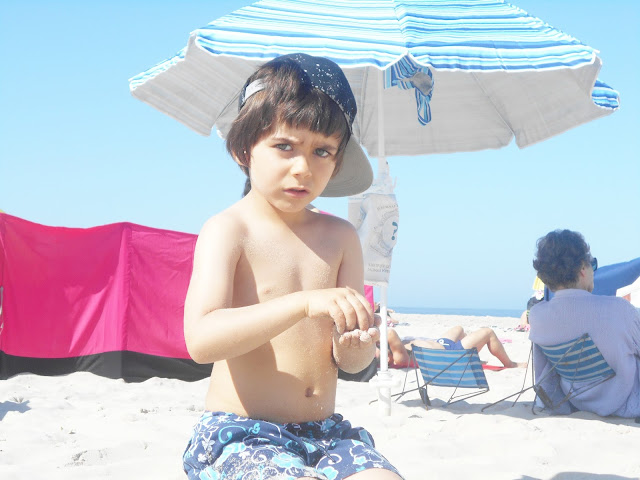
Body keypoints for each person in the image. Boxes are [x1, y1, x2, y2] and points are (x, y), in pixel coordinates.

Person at [182, 53, 403, 480]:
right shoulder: (230, 229)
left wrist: (356, 344)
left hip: (325, 433)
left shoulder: (341, 237)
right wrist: (302, 303)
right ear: (244, 149)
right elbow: (201, 341)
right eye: (284, 146)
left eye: (322, 151)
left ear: (337, 161)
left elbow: (350, 363)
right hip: (243, 432)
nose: (303, 168)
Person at [529, 229, 640, 417]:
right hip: (627, 404)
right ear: (582, 268)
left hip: (575, 402)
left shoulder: (537, 315)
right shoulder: (619, 309)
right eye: (592, 264)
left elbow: (544, 375)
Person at [381, 326, 526, 369]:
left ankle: (472, 357)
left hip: (442, 343)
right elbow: (391, 333)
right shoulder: (400, 357)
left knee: (459, 329)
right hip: (451, 354)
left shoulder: (398, 348)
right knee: (488, 332)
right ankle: (510, 364)